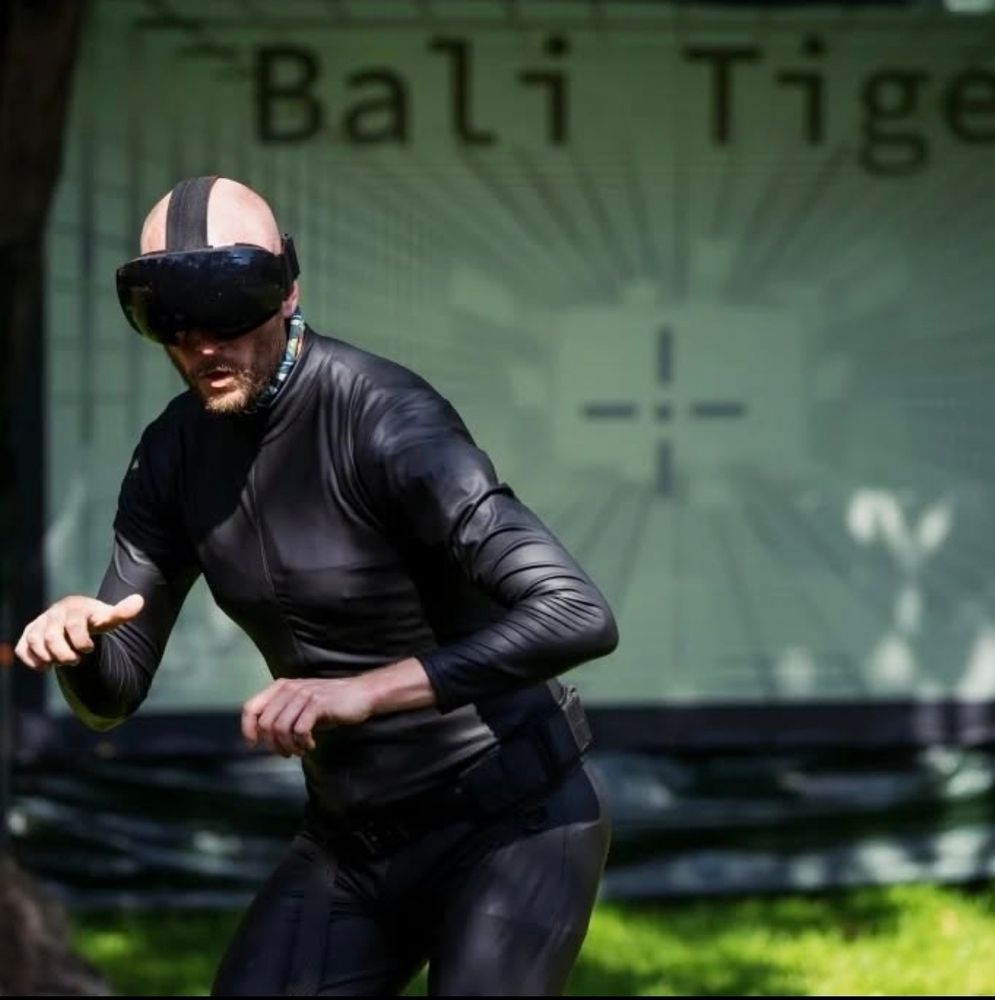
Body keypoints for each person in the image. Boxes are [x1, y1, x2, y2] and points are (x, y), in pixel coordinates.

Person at [14, 176, 619, 996]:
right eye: (169, 318)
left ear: (287, 290)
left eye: (232, 306)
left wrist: (364, 692)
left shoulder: (386, 416)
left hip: (514, 817)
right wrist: (82, 646)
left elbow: (576, 614)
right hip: (355, 838)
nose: (202, 346)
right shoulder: (172, 454)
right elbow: (111, 697)